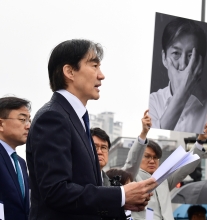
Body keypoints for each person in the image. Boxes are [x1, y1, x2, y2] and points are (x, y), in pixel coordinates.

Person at [26, 39, 156, 220]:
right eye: (94, 66)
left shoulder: (76, 119)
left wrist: (121, 202)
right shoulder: (52, 118)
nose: (101, 75)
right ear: (69, 71)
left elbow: (83, 193)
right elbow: (55, 192)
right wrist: (120, 195)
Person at [123, 115, 207, 220]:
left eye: (155, 157)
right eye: (147, 156)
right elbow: (132, 162)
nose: (152, 160)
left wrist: (200, 141)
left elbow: (185, 168)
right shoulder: (131, 178)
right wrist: (143, 134)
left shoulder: (163, 179)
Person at [149, 17, 207, 134]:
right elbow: (152, 139)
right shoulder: (153, 102)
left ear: (200, 63)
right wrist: (182, 94)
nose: (183, 66)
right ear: (164, 58)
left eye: (191, 56)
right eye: (176, 53)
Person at [0, 96, 31, 220]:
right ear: (1, 124)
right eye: (22, 119)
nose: (28, 126)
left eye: (29, 120)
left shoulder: (21, 163)